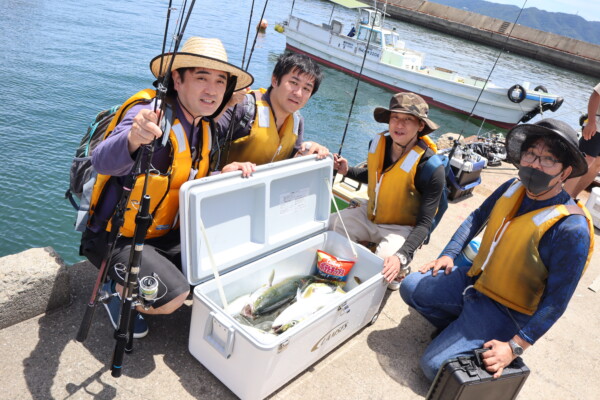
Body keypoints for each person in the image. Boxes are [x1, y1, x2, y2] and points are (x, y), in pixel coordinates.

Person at [79, 37, 256, 338]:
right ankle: (118, 291)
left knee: (221, 269)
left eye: (220, 81)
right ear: (177, 78)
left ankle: (143, 278)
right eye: (201, 77)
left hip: (163, 233)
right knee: (175, 297)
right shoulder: (151, 113)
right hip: (117, 237)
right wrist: (133, 138)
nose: (212, 90)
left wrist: (219, 173)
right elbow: (101, 160)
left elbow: (181, 175)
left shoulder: (203, 124)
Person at [400, 118, 594, 381]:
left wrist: (515, 346)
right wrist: (448, 254)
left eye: (548, 159)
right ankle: (459, 329)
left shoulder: (571, 228)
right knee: (411, 287)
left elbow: (556, 302)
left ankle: (488, 341)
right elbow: (477, 217)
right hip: (474, 280)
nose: (535, 164)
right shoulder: (512, 187)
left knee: (433, 367)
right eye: (530, 154)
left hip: (507, 309)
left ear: (565, 172)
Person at [330, 92, 446, 291]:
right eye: (395, 117)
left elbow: (425, 222)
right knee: (332, 225)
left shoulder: (431, 168)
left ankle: (400, 271)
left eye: (408, 119)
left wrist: (402, 255)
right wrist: (347, 171)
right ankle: (352, 261)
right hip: (371, 213)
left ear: (420, 126)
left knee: (382, 265)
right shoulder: (378, 144)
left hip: (402, 227)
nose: (399, 125)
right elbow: (377, 177)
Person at [214, 52, 328, 168]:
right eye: (294, 83)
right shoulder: (243, 107)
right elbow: (204, 136)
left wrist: (312, 151)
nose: (298, 93)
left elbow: (292, 160)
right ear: (275, 80)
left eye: (306, 89)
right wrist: (225, 104)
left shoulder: (297, 121)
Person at [565, 83, 600, 198]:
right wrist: (591, 122)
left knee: (597, 165)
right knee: (585, 159)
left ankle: (572, 197)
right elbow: (596, 95)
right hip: (597, 125)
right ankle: (563, 195)